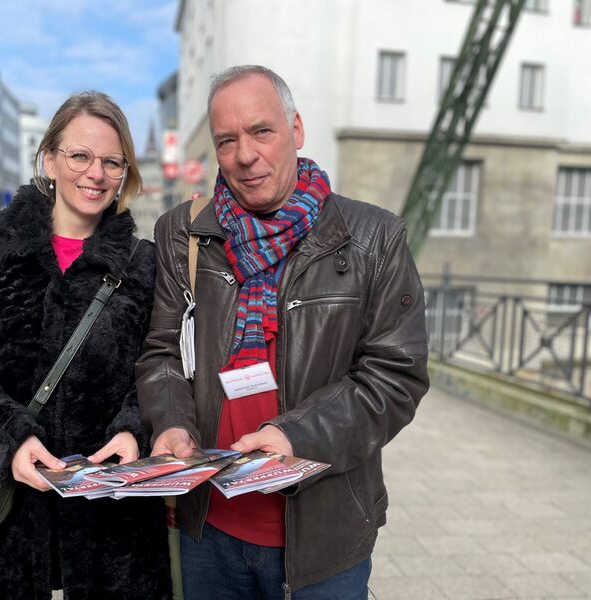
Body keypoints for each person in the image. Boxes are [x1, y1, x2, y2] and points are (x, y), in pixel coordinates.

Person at [136, 65, 430, 599]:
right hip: (211, 528)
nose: (245, 155)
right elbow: (161, 353)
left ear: (296, 131)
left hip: (325, 537)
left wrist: (300, 435)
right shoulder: (184, 233)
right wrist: (171, 424)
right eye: (227, 140)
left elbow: (395, 376)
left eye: (261, 132)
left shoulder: (372, 238)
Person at [0, 91, 171, 600]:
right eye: (80, 155)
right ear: (49, 158)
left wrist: (134, 430)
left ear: (125, 173)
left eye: (112, 162)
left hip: (112, 529)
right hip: (3, 523)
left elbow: (162, 363)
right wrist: (6, 439)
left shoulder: (143, 263)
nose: (95, 174)